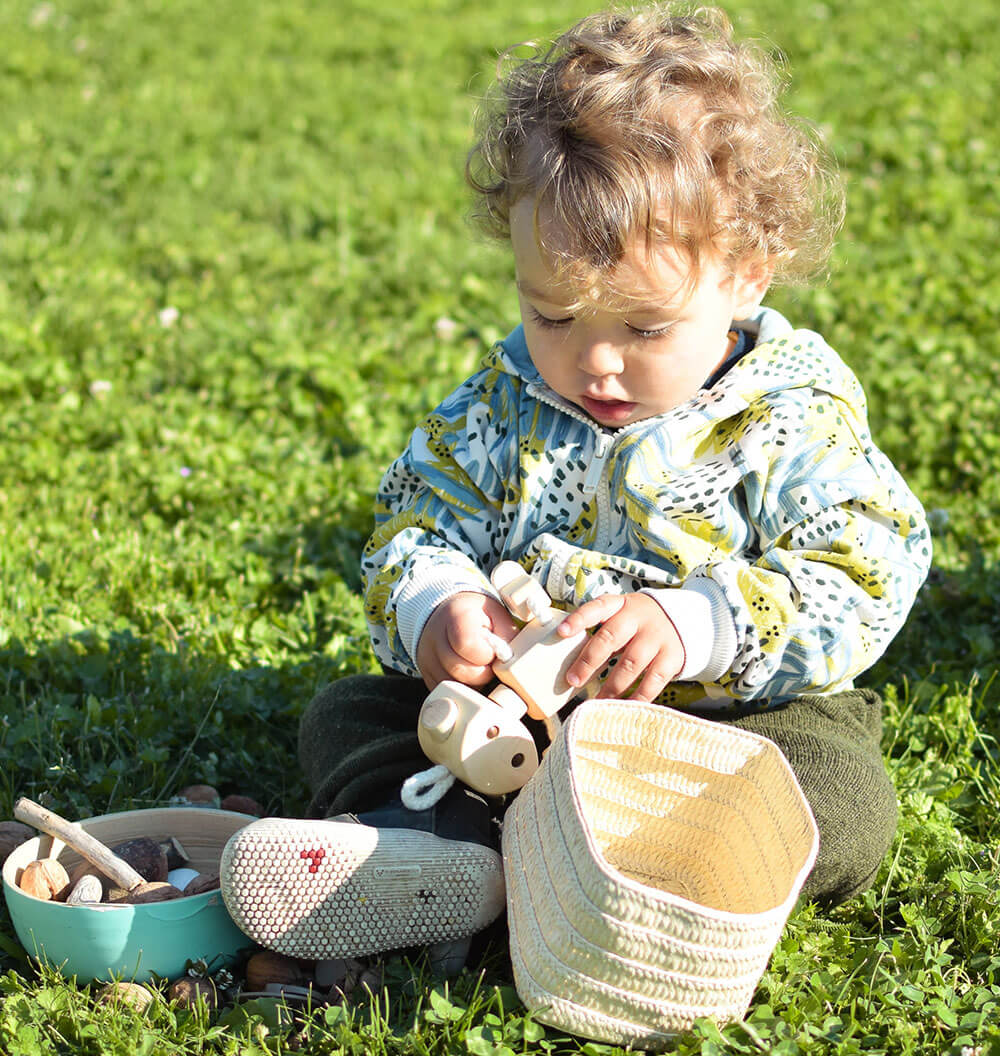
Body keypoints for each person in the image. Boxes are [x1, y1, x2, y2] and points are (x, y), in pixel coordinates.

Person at [220, 2, 931, 976]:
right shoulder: (502, 403)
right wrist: (440, 608)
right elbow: (415, 520)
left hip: (718, 728)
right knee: (346, 711)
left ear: (748, 276)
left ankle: (631, 871)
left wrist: (699, 622)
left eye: (643, 331)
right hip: (517, 725)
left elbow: (869, 556)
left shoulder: (786, 414)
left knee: (841, 796)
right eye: (550, 313)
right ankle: (448, 855)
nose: (593, 363)